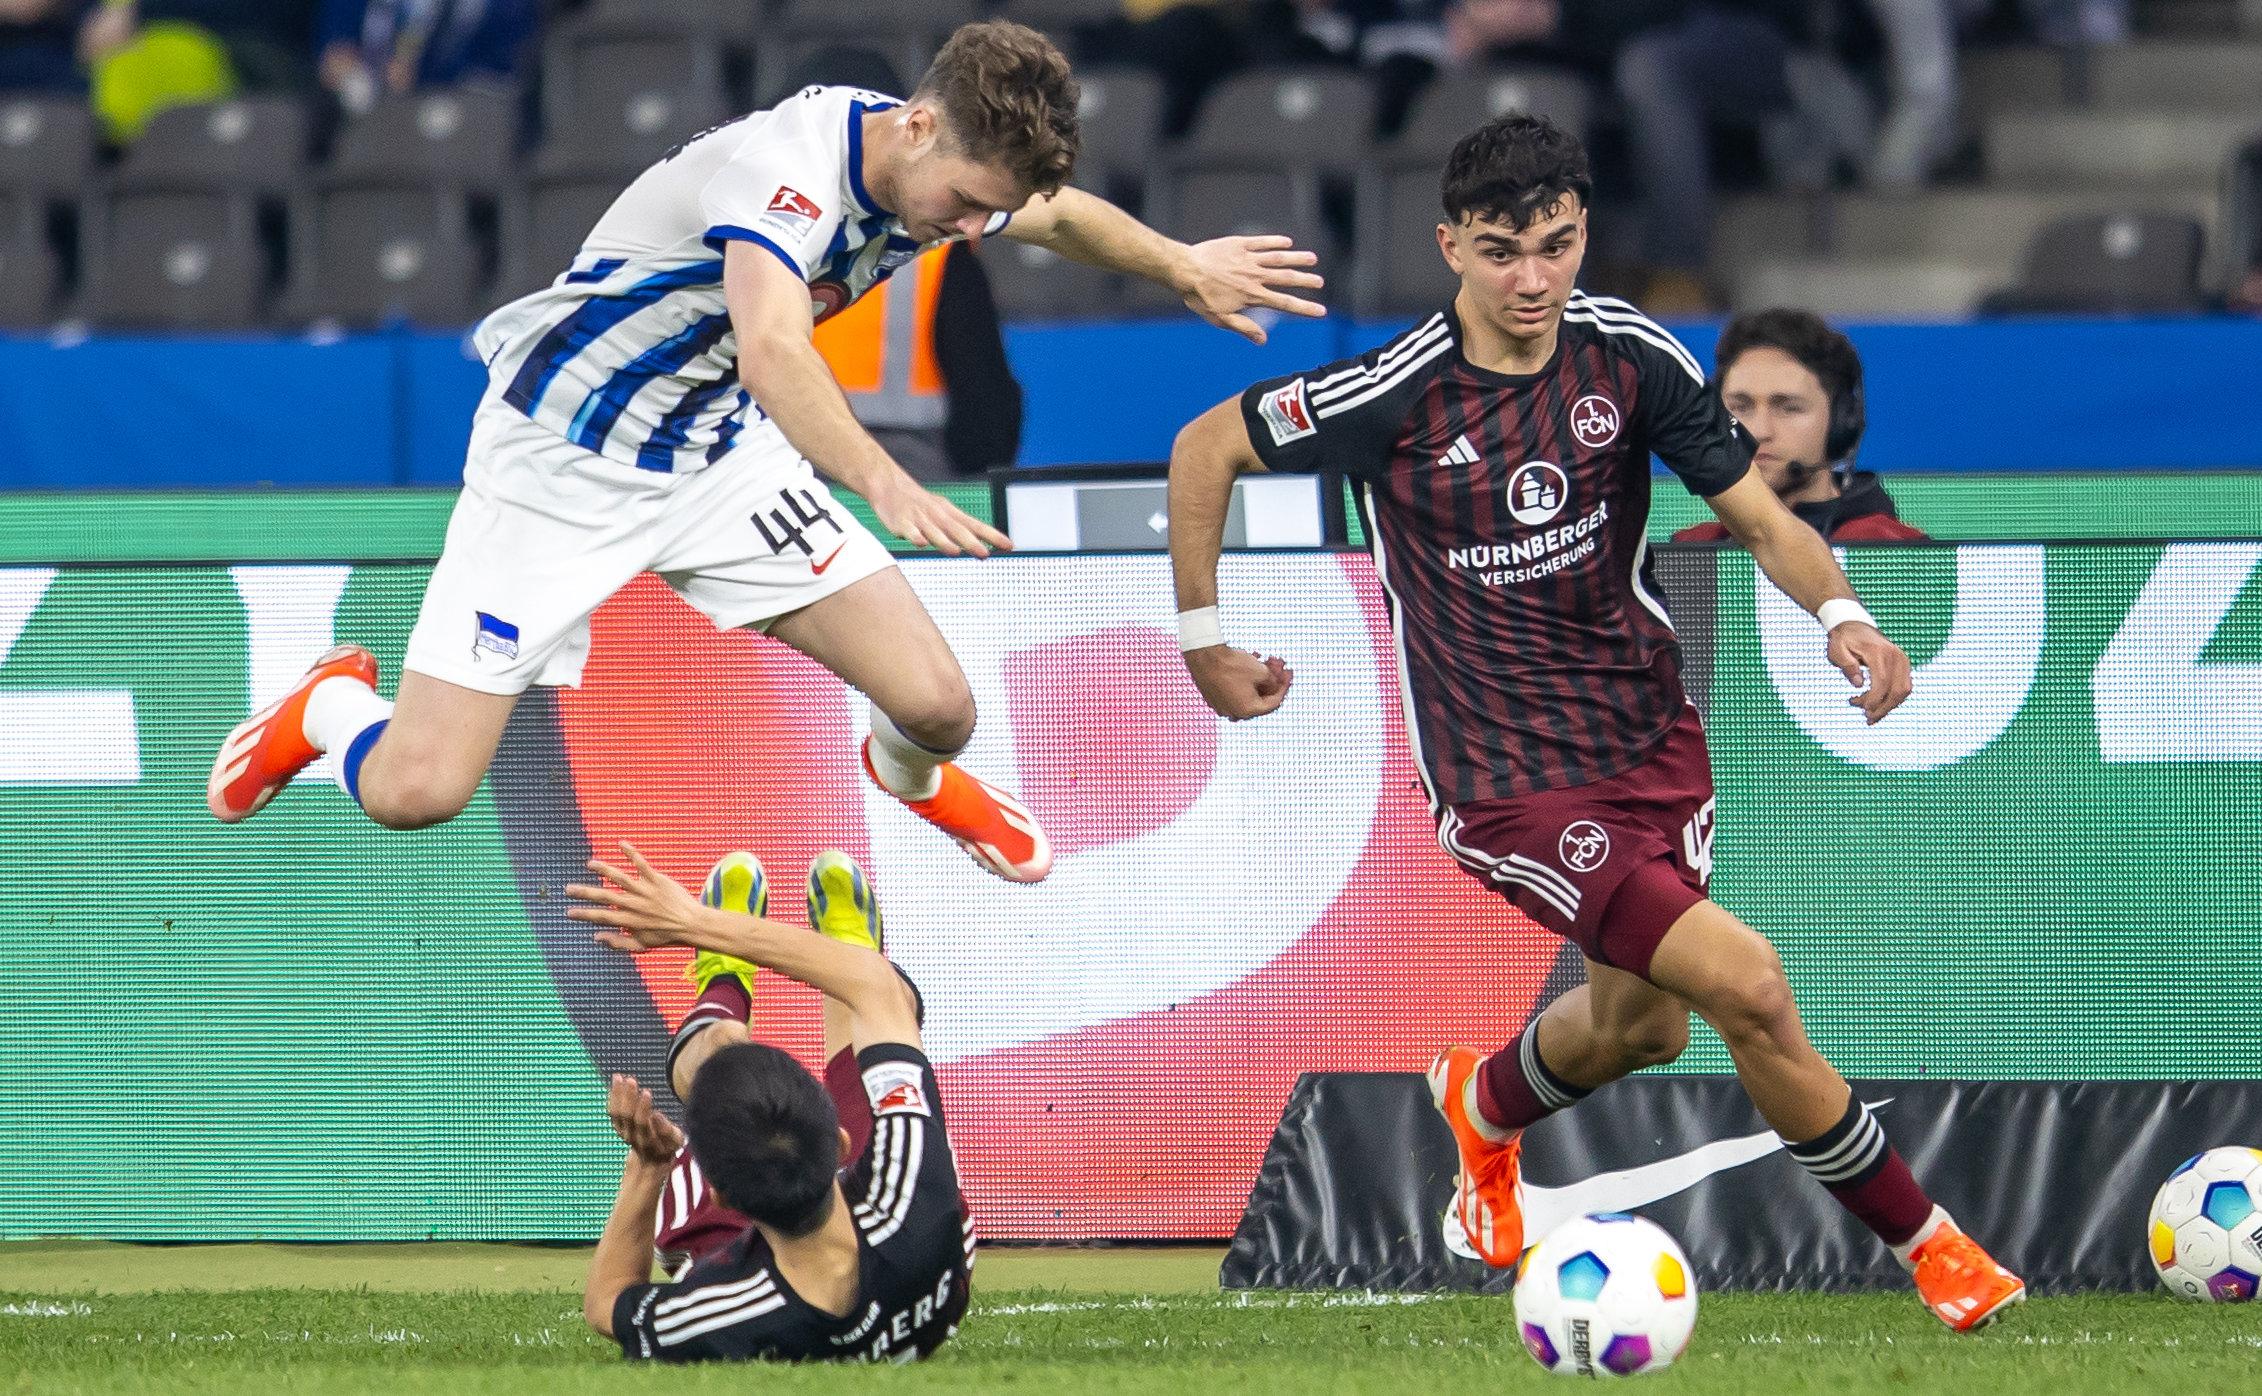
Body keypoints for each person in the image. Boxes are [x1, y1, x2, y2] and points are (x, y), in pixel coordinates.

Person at [1164, 112, 2024, 1331]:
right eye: (1505, 251)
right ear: (1451, 243)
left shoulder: (1628, 356)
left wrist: (1843, 613)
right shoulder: (1392, 392)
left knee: (1643, 1025)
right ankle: (1936, 1247)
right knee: (1751, 986)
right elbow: (1204, 448)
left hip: (1649, 741)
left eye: (1559, 247)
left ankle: (1485, 1106)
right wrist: (1204, 648)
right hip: (1505, 779)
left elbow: (1769, 520)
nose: (1534, 280)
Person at [205, 20, 1326, 887]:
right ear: (922, 127)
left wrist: (1179, 262)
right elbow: (774, 352)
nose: (974, 233)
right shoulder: (787, 177)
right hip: (560, 460)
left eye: (992, 215)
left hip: (713, 461)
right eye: (970, 206)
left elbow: (1060, 213)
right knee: (416, 789)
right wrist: (881, 478)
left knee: (941, 708)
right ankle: (323, 710)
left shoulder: (942, 174)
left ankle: (907, 780)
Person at [570, 842, 970, 1363]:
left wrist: (648, 1167)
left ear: (719, 1196)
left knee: (721, 1055)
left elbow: (606, 1305)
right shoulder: (919, 1197)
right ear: (841, 1145)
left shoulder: (716, 1314)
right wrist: (693, 920)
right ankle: (845, 948)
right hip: (911, 1255)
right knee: (872, 1004)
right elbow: (880, 989)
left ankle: (723, 980)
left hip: (740, 1258)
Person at [1671, 308, 1925, 543]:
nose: (1759, 432)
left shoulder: (1893, 552)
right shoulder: (1692, 550)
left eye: (1789, 408)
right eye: (1740, 407)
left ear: (1842, 421)